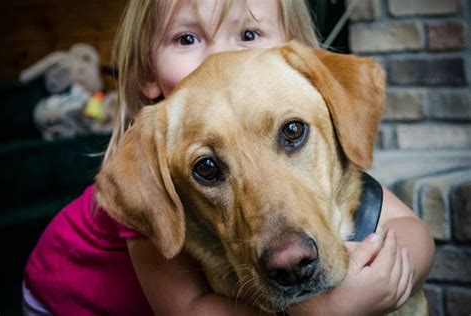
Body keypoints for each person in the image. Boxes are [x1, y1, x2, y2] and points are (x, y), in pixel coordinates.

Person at [23, 0, 435, 315]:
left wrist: (394, 280)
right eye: (187, 39)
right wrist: (325, 310)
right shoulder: (151, 159)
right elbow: (188, 311)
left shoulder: (310, 96)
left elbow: (412, 232)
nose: (218, 57)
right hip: (61, 298)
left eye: (292, 134)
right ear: (147, 73)